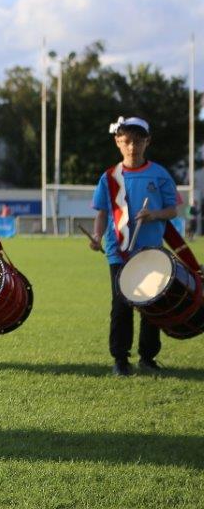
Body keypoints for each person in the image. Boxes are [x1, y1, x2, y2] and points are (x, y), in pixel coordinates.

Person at [89, 116, 179, 376]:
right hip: (118, 251)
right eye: (127, 141)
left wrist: (155, 215)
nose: (132, 147)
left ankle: (148, 358)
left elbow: (173, 209)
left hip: (151, 252)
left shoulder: (159, 174)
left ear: (147, 141)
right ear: (118, 141)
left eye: (138, 142)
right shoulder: (109, 177)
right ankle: (120, 359)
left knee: (152, 304)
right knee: (121, 306)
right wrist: (96, 236)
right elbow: (102, 213)